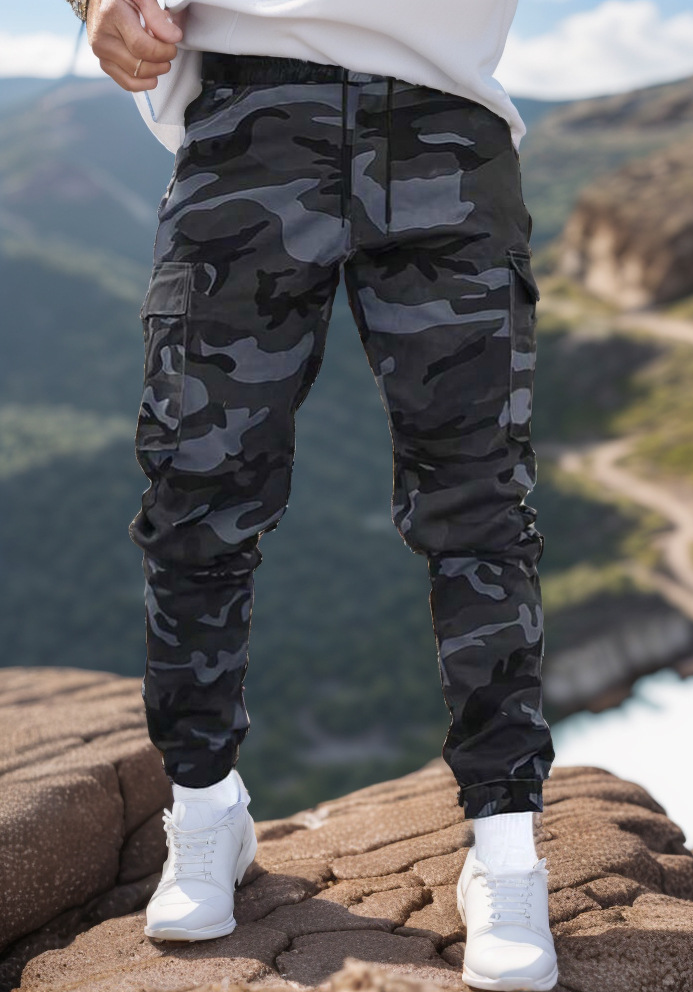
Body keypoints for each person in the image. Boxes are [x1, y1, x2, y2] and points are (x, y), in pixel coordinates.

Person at [70, 0, 558, 986]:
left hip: (445, 120)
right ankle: (205, 812)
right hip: (246, 115)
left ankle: (507, 853)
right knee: (195, 488)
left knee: (480, 506)